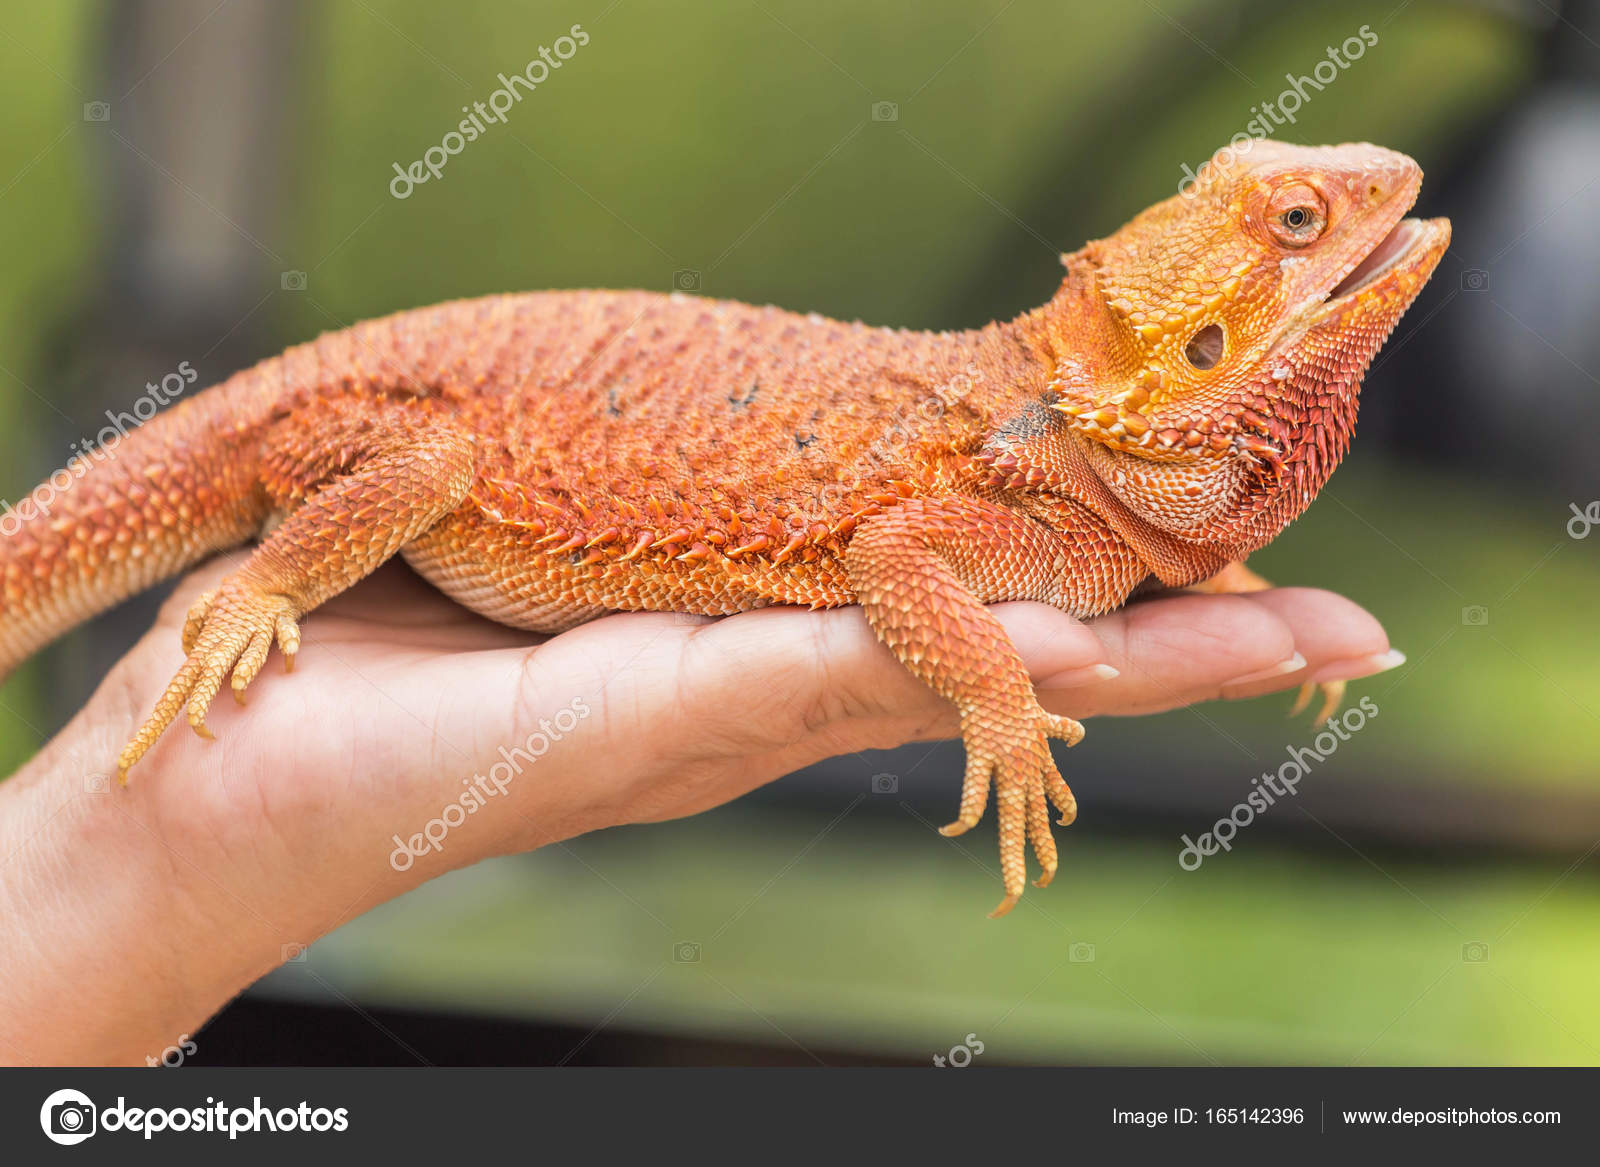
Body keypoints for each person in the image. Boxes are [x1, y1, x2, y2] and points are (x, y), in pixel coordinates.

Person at [0, 551, 1400, 1065]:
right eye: (1290, 229)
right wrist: (992, 695)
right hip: (419, 450)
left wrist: (158, 864)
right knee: (421, 468)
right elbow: (901, 561)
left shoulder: (1059, 457)